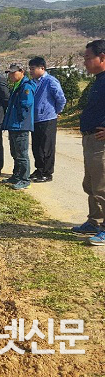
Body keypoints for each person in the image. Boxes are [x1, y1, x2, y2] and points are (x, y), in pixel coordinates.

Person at [71, 40, 105, 246]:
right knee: (91, 184)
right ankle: (95, 221)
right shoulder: (99, 80)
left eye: (88, 58)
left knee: (102, 186)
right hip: (90, 139)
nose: (84, 62)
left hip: (101, 142)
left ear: (102, 58)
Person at [28, 57, 66, 183]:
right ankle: (39, 169)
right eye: (30, 69)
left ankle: (47, 173)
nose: (31, 71)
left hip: (47, 118)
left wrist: (56, 111)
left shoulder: (50, 81)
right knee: (36, 147)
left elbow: (60, 98)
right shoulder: (33, 82)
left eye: (33, 69)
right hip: (35, 119)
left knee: (47, 147)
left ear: (42, 68)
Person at [1, 63, 36, 190]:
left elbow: (26, 105)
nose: (10, 75)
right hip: (13, 124)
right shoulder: (17, 85)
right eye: (9, 73)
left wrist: (20, 119)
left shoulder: (26, 86)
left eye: (13, 72)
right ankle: (16, 175)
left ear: (22, 72)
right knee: (15, 153)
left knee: (22, 154)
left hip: (20, 125)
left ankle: (24, 179)